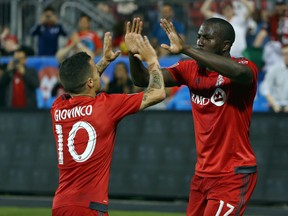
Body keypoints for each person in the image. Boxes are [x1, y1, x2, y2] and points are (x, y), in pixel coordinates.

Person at [126, 17, 258, 216]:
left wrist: (186, 48)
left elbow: (240, 73)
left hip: (233, 173)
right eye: (198, 37)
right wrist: (133, 54)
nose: (200, 42)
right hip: (203, 174)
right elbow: (143, 79)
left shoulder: (243, 66)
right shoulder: (190, 69)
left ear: (225, 45)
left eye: (207, 38)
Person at [51, 32, 165, 216]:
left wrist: (104, 61)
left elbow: (79, 85)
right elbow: (157, 93)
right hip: (90, 207)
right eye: (96, 71)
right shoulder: (106, 106)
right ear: (90, 81)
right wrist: (152, 60)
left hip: (61, 205)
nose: (99, 73)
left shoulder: (57, 108)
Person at [260, 45, 288, 113]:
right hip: (275, 105)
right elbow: (265, 88)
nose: (287, 57)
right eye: (285, 54)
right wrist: (274, 104)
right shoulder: (274, 69)